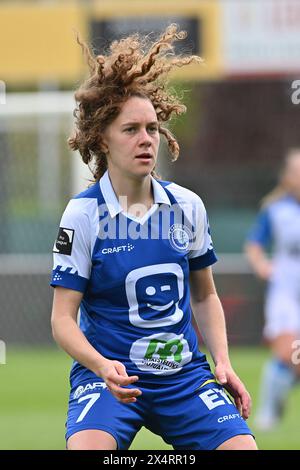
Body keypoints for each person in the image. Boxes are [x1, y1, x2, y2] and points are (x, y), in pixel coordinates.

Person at [50, 24, 256, 450]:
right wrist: (101, 366)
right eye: (131, 130)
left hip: (183, 377)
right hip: (110, 377)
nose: (146, 139)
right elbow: (62, 321)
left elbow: (205, 295)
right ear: (102, 139)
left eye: (152, 128)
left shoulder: (188, 206)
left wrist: (222, 362)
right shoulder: (83, 215)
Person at [245, 149, 300, 431]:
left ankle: (275, 394)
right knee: (291, 353)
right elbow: (254, 244)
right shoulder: (276, 210)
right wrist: (262, 265)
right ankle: (269, 410)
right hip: (286, 293)